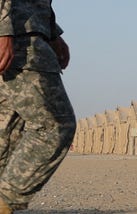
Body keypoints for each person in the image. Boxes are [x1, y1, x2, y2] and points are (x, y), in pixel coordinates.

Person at [0, 1, 76, 213]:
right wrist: (2, 29)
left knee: (6, 135)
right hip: (20, 39)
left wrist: (51, 32)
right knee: (55, 127)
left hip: (25, 31)